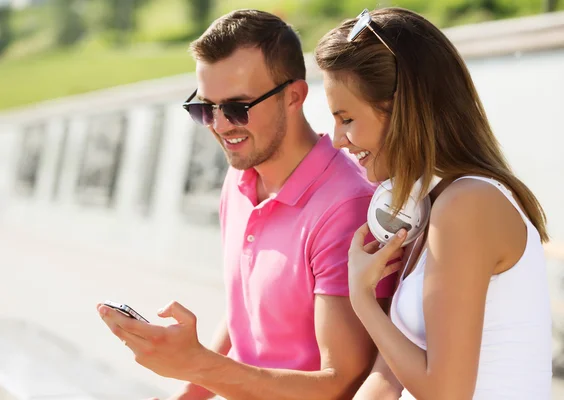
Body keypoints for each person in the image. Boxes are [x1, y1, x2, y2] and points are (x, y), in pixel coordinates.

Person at [97, 9, 396, 400]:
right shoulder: (240, 176)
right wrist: (188, 395)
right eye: (204, 108)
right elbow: (249, 318)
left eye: (237, 108)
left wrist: (196, 363)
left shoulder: (348, 207)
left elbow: (340, 383)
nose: (220, 126)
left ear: (294, 95)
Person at [314, 7, 553, 400]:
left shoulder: (468, 205)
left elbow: (445, 393)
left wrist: (363, 299)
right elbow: (388, 377)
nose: (338, 139)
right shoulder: (432, 204)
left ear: (401, 111)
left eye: (347, 119)